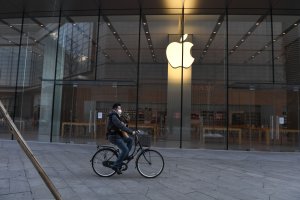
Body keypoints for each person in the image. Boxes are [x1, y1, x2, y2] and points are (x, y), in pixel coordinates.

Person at [107, 103, 136, 174]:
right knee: (125, 149)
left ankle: (125, 156)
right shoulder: (113, 116)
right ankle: (115, 165)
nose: (120, 110)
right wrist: (131, 132)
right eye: (119, 108)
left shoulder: (117, 116)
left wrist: (130, 129)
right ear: (114, 109)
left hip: (118, 136)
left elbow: (123, 125)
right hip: (114, 137)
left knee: (130, 140)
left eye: (120, 108)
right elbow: (120, 126)